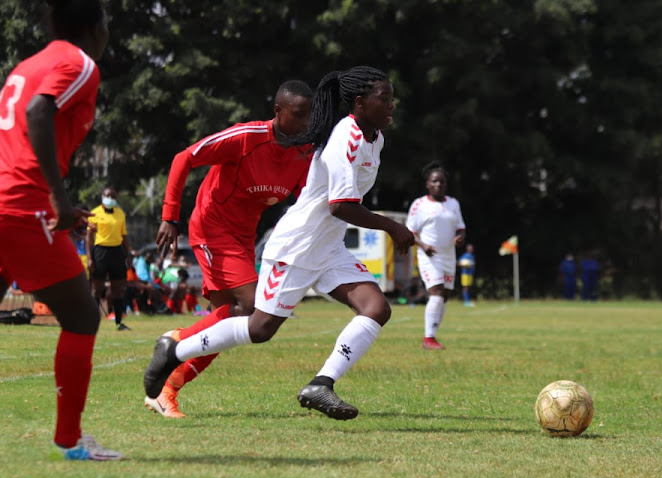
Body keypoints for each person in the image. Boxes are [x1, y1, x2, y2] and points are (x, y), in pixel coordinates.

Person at [144, 65, 414, 421]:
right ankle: (176, 349)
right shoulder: (340, 138)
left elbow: (317, 195)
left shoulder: (369, 139)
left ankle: (321, 384)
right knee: (256, 324)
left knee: (376, 308)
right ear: (360, 102)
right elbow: (340, 205)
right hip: (274, 242)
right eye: (386, 99)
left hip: (321, 245)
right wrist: (391, 227)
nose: (392, 105)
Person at [144, 80, 313, 418]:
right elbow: (184, 158)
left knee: (225, 326)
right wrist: (169, 217)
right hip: (211, 227)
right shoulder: (246, 137)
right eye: (298, 115)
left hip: (243, 238)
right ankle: (175, 340)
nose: (306, 123)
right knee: (251, 308)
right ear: (278, 112)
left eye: (310, 116)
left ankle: (166, 390)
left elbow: (304, 203)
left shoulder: (303, 153)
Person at [0, 0, 121, 460]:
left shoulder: (28, 63)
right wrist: (59, 198)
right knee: (83, 317)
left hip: (7, 200)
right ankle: (70, 442)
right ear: (95, 25)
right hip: (22, 205)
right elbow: (37, 113)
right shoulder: (79, 62)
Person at [406, 162, 466, 350]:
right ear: (427, 184)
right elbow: (410, 232)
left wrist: (460, 238)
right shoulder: (419, 204)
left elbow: (461, 227)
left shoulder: (453, 204)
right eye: (434, 181)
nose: (438, 184)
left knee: (444, 296)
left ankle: (433, 335)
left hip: (449, 256)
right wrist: (423, 245)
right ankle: (428, 339)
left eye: (441, 181)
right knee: (437, 292)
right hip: (429, 256)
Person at [88, 187, 131, 330]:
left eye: (113, 196)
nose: (110, 198)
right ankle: (92, 322)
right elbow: (88, 238)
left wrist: (128, 254)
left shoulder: (120, 214)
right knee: (97, 289)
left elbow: (124, 236)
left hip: (117, 252)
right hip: (100, 251)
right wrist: (90, 258)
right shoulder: (94, 213)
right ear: (102, 196)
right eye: (108, 196)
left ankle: (119, 322)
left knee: (117, 289)